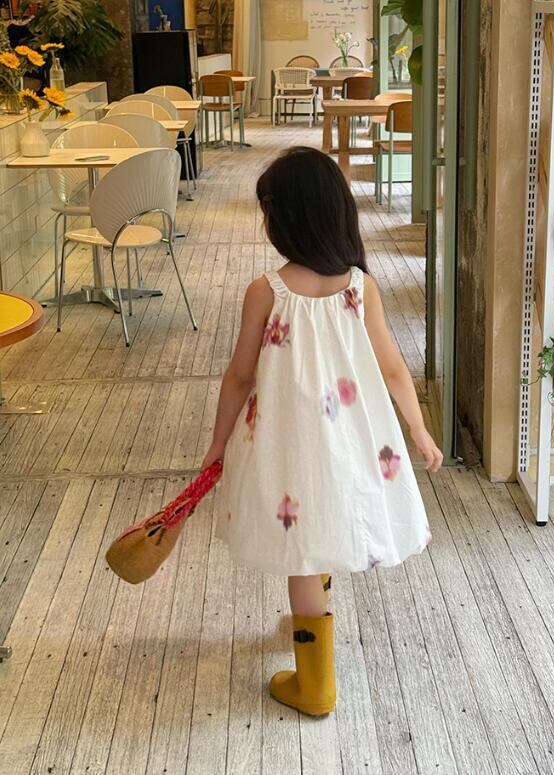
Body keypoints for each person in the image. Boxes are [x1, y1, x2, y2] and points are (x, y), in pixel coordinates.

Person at [202, 146, 441, 717]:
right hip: (349, 442)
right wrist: (418, 430)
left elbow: (240, 376)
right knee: (322, 528)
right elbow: (392, 368)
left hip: (286, 446)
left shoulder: (266, 291)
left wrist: (218, 442)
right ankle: (308, 623)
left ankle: (314, 686)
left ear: (286, 219)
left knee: (302, 553)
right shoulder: (360, 287)